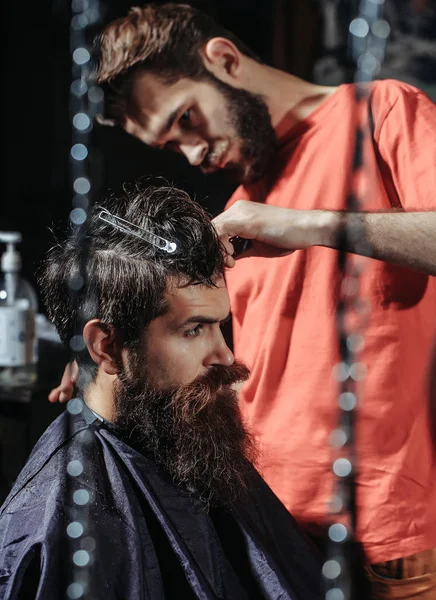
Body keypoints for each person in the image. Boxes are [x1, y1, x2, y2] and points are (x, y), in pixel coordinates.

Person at [50, 3, 436, 597]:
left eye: (187, 120)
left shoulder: (382, 113)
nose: (192, 153)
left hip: (388, 543)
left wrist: (308, 225)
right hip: (267, 531)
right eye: (170, 145)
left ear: (225, 60)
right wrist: (114, 363)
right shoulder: (240, 208)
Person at [0, 184, 323, 600]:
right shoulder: (52, 519)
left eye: (220, 325)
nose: (225, 355)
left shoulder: (187, 435)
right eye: (194, 329)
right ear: (107, 346)